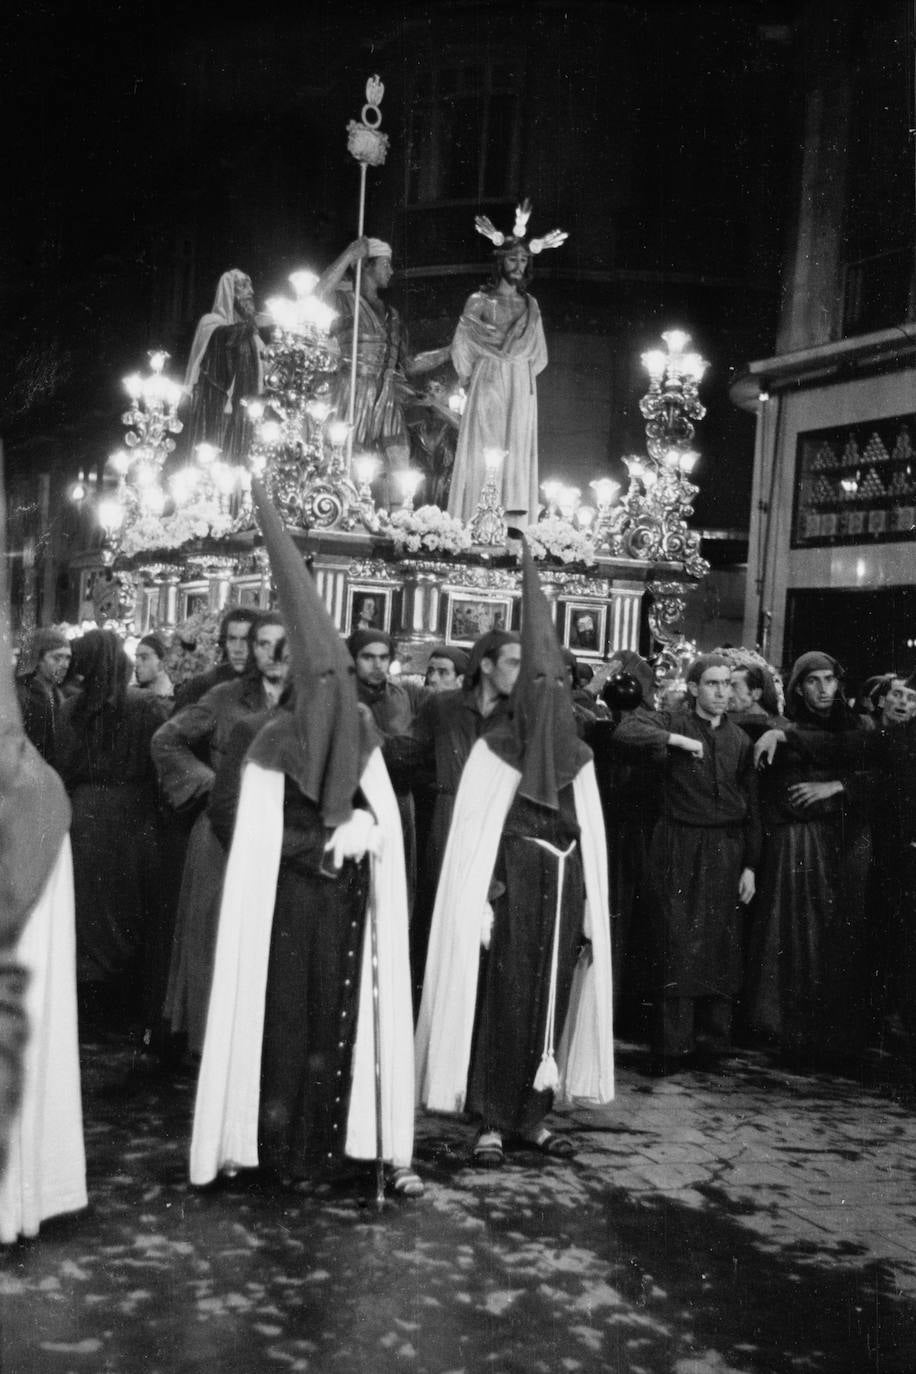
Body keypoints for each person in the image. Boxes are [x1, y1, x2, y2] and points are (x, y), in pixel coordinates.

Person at [191, 479, 419, 1198]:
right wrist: (324, 843)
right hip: (288, 905)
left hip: (348, 904)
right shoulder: (268, 740)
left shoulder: (361, 732)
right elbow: (253, 827)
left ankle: (345, 1145)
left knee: (343, 1019)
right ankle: (283, 1149)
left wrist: (369, 831)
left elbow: (378, 808)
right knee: (288, 1023)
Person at [416, 549, 614, 1167]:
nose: (548, 692)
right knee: (499, 1000)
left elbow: (589, 837)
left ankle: (532, 1117)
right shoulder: (495, 750)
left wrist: (587, 908)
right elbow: (476, 835)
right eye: (537, 682)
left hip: (561, 890)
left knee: (549, 997)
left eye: (557, 680)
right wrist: (483, 900)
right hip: (509, 894)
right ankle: (490, 1120)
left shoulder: (578, 755)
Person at [613, 654, 760, 1074]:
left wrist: (750, 864)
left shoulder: (740, 741)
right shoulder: (671, 723)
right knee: (676, 940)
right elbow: (626, 732)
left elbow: (752, 808)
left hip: (726, 848)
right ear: (693, 688)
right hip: (678, 843)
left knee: (721, 944)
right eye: (712, 683)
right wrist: (677, 742)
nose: (721, 692)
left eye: (728, 684)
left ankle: (713, 1043)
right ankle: (671, 1046)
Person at [152, 613, 288, 1053]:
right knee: (213, 932)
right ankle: (210, 1039)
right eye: (262, 643)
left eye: (279, 644)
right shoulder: (225, 697)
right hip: (221, 832)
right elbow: (166, 739)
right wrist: (212, 782)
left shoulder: (304, 702)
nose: (270, 653)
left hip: (279, 830)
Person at [749, 652, 872, 1065]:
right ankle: (787, 1029)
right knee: (793, 934)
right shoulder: (781, 728)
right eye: (814, 681)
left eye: (829, 680)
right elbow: (781, 793)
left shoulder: (856, 727)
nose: (823, 689)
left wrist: (835, 786)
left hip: (846, 846)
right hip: (797, 846)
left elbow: (868, 764)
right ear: (799, 687)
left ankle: (830, 1033)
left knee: (837, 935)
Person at [57, 631, 170, 1021]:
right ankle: (122, 997)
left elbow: (62, 763)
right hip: (133, 814)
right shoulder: (148, 704)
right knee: (129, 904)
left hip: (84, 814)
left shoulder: (70, 708)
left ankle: (89, 990)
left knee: (88, 905)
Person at [411, 631, 521, 1009]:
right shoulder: (442, 708)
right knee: (441, 915)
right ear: (486, 665)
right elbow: (412, 753)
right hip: (448, 818)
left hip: (502, 822)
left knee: (493, 918)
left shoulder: (522, 714)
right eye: (513, 662)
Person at [447, 202, 567, 525]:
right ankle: (477, 519)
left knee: (516, 449)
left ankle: (512, 526)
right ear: (500, 262)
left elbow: (539, 355)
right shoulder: (479, 301)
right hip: (488, 380)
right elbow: (463, 344)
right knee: (486, 445)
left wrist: (516, 366)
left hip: (520, 382)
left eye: (523, 260)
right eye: (513, 259)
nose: (518, 265)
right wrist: (471, 378)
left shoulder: (531, 305)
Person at [316, 237, 448, 494]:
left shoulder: (393, 315)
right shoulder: (345, 302)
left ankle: (404, 524)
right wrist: (349, 254)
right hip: (353, 390)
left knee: (400, 461)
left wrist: (450, 351)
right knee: (341, 461)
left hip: (386, 395)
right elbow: (317, 295)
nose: (391, 270)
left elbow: (408, 364)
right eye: (385, 264)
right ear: (366, 266)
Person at [184, 269, 272, 465]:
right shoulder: (211, 323)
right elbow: (223, 339)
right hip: (219, 416)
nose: (251, 291)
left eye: (250, 285)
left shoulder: (255, 338)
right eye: (243, 286)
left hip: (248, 420)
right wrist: (254, 324)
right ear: (228, 292)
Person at [172, 606, 259, 710]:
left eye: (246, 640)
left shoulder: (271, 685)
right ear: (224, 643)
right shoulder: (201, 686)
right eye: (232, 639)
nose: (238, 649)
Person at [15, 628, 72, 769]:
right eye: (57, 658)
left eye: (67, 658)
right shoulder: (21, 695)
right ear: (38, 659)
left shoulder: (59, 695)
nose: (64, 665)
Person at [132, 634, 174, 701]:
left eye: (144, 658)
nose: (137, 663)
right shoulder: (134, 695)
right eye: (136, 657)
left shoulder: (175, 698)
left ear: (162, 662)